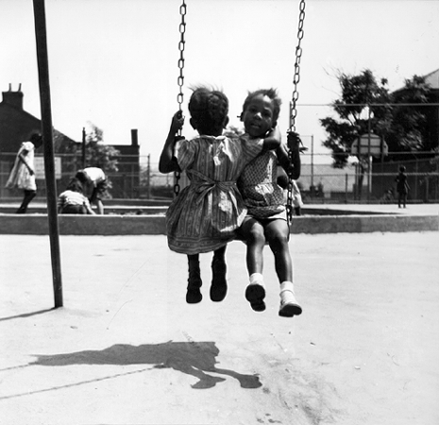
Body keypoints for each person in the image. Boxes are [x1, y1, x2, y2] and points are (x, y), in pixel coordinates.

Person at [159, 86, 281, 304]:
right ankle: (219, 262)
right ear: (225, 121)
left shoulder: (190, 147)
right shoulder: (238, 145)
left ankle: (193, 274)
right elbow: (272, 141)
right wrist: (275, 126)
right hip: (226, 203)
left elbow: (164, 165)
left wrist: (172, 131)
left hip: (195, 201)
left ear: (193, 124)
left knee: (190, 223)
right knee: (222, 226)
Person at [236, 88, 302, 317]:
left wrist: (293, 150)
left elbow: (292, 172)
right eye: (252, 111)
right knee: (256, 235)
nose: (257, 116)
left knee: (279, 238)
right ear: (241, 115)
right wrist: (276, 131)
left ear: (272, 121)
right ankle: (256, 283)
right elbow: (273, 139)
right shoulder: (239, 144)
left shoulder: (276, 147)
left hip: (274, 208)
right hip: (248, 209)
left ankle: (287, 295)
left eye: (265, 114)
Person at [5, 133, 43, 214]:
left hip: (27, 169)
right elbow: (21, 155)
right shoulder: (30, 145)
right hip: (26, 170)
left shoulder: (31, 147)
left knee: (28, 192)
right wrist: (29, 168)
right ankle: (21, 208)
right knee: (33, 192)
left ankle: (23, 209)